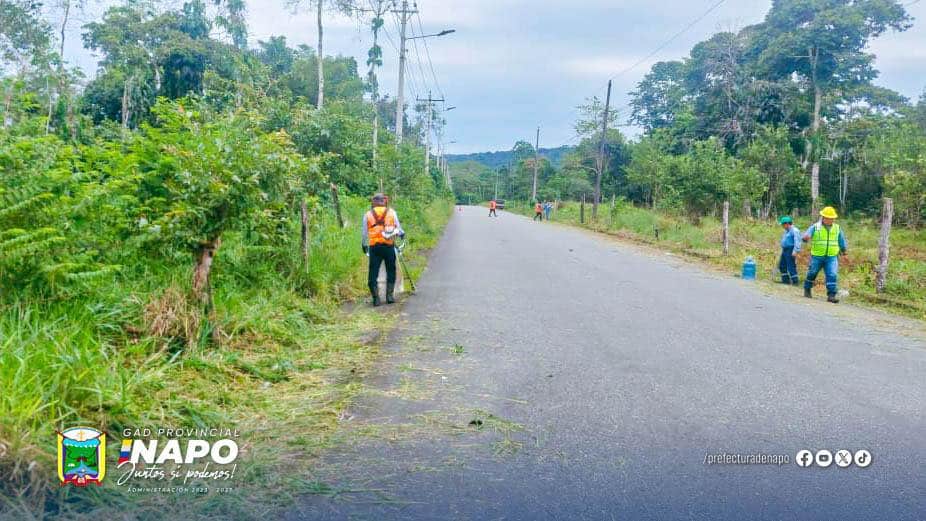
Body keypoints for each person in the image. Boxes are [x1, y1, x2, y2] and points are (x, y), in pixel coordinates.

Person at [361, 193, 404, 306]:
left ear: (374, 202)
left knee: (373, 273)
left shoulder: (368, 215)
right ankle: (389, 296)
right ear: (384, 201)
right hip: (389, 246)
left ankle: (376, 298)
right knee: (391, 270)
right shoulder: (392, 213)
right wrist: (401, 234)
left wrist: (364, 245)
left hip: (374, 248)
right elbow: (399, 229)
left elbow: (364, 233)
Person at [802, 206, 847, 303]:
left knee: (832, 274)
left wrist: (844, 251)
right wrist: (805, 238)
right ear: (823, 217)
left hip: (831, 256)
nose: (829, 220)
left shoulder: (837, 228)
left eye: (831, 218)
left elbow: (841, 240)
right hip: (817, 256)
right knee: (812, 273)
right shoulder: (815, 227)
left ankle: (831, 295)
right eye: (827, 218)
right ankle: (807, 289)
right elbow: (806, 236)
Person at [777, 216, 802, 285]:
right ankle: (785, 281)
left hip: (791, 250)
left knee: (791, 266)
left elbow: (798, 241)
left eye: (782, 224)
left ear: (787, 224)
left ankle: (795, 281)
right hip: (785, 250)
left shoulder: (795, 230)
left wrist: (795, 251)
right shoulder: (786, 231)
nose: (782, 226)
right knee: (782, 265)